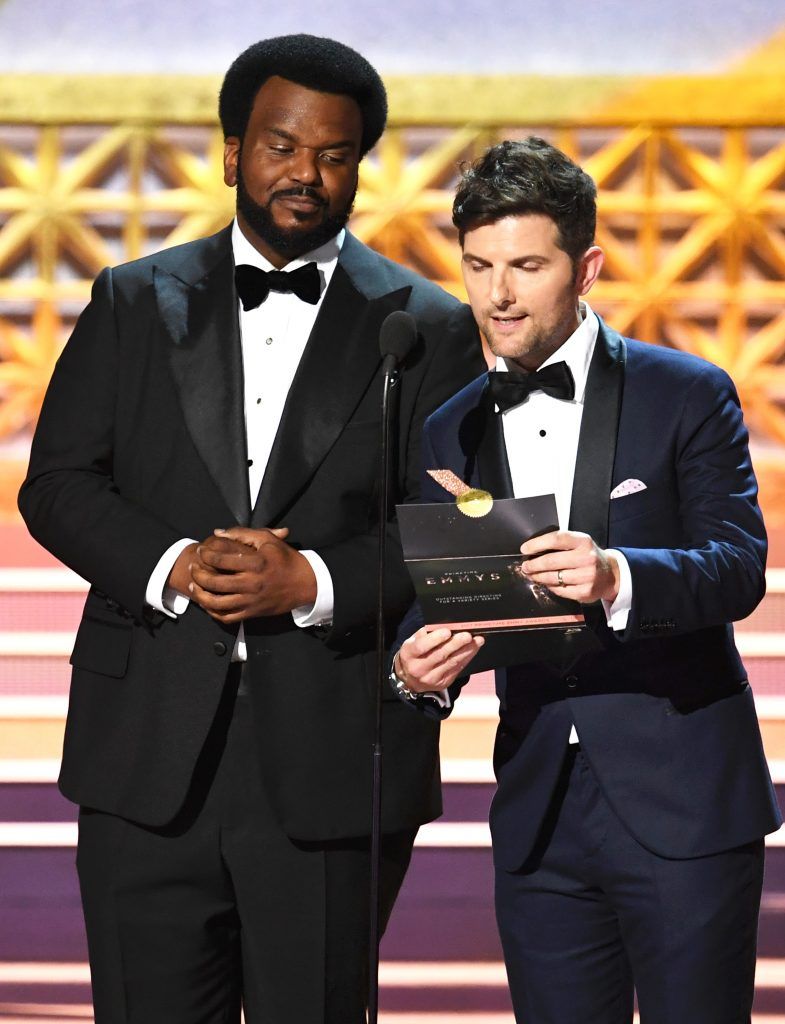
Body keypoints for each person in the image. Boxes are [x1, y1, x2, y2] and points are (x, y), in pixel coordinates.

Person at [18, 34, 485, 1024]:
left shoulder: (429, 325)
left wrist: (308, 580)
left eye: (332, 154)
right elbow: (57, 484)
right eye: (279, 146)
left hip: (332, 757)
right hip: (144, 751)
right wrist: (172, 561)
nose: (303, 175)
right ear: (231, 151)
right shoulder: (133, 301)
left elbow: (455, 533)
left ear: (360, 163)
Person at [393, 137, 782, 1024]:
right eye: (479, 266)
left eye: (526, 265)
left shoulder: (684, 392)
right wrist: (415, 670)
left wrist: (615, 575)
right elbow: (451, 596)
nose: (498, 293)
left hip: (682, 803)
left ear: (586, 267)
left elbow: (736, 567)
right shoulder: (450, 428)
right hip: (539, 813)